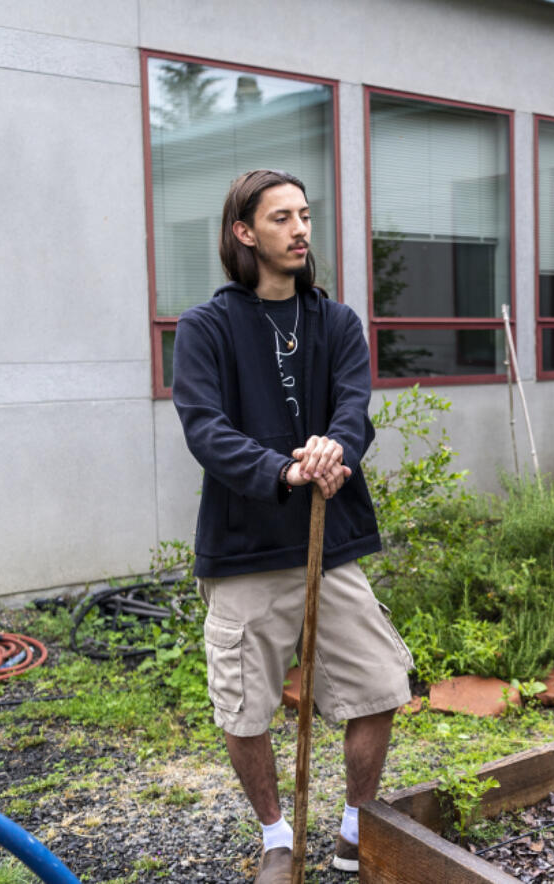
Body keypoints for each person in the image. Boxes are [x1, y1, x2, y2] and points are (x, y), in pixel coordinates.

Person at [172, 169, 412, 883]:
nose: (301, 229)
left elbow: (352, 407)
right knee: (244, 709)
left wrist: (336, 448)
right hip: (245, 549)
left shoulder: (335, 321)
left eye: (304, 215)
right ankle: (278, 835)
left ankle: (351, 824)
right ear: (244, 232)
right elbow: (204, 428)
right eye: (281, 217)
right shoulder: (205, 327)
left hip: (329, 543)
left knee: (379, 685)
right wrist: (281, 470)